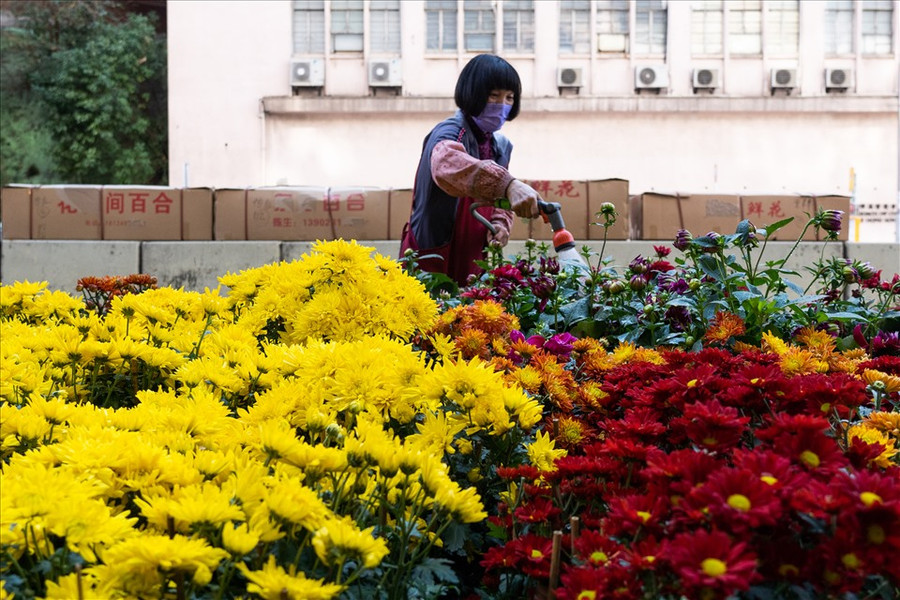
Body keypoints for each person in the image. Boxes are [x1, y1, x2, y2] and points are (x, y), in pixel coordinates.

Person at [400, 54, 543, 286]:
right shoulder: (449, 132)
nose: (502, 105)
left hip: (473, 252)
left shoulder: (500, 145)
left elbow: (499, 201)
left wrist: (499, 224)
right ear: (472, 93)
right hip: (435, 250)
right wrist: (509, 184)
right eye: (494, 96)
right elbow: (447, 165)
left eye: (509, 97)